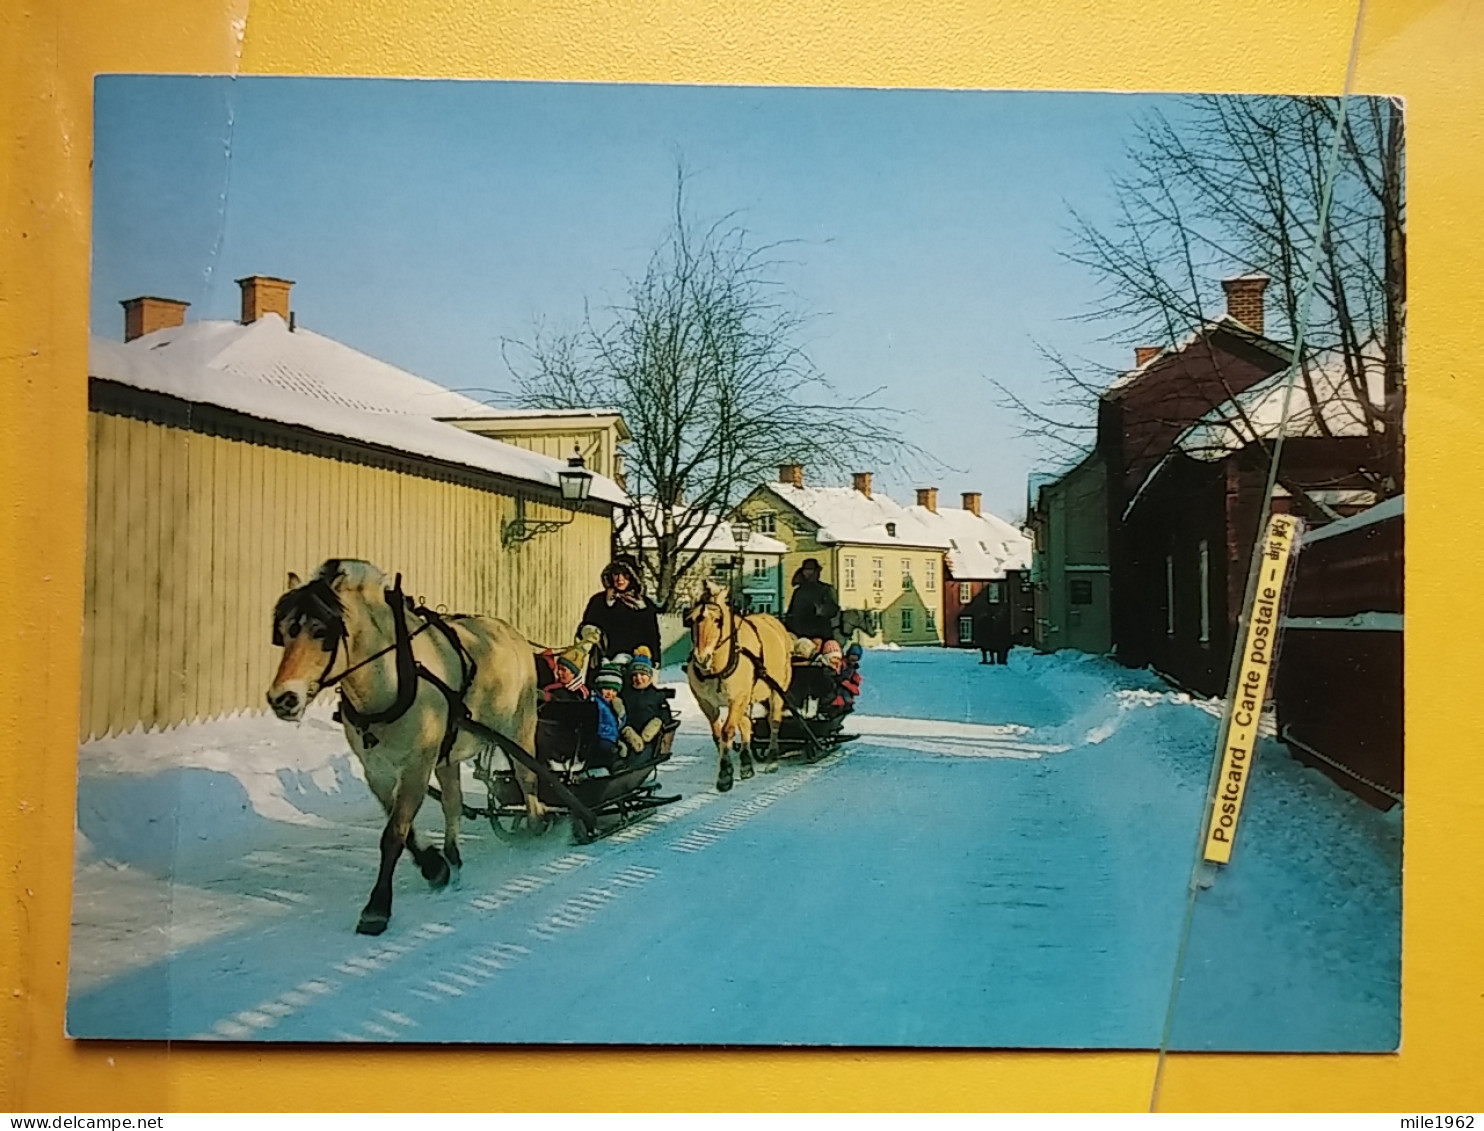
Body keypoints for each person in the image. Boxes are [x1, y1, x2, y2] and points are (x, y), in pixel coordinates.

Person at [579, 557, 662, 673]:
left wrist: (655, 658)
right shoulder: (599, 601)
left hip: (635, 665)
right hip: (604, 663)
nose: (620, 579)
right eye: (616, 574)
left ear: (633, 577)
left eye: (625, 574)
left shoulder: (643, 604)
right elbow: (584, 629)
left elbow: (652, 634)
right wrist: (590, 631)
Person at [618, 646, 674, 764]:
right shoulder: (625, 694)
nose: (639, 678)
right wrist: (626, 730)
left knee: (639, 757)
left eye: (642, 674)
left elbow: (666, 717)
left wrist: (657, 723)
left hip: (649, 740)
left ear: (649, 676)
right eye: (635, 675)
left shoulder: (656, 695)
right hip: (627, 736)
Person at [784, 557, 840, 643]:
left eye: (810, 570)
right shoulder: (799, 591)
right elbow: (791, 612)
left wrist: (821, 610)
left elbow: (833, 609)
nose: (807, 572)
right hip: (799, 635)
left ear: (816, 571)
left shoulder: (825, 589)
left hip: (820, 635)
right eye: (806, 570)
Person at [589, 662, 627, 773]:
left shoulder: (610, 705)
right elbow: (598, 725)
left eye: (614, 690)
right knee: (609, 752)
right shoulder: (596, 703)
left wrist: (621, 714)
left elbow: (617, 725)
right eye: (606, 689)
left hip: (609, 739)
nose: (610, 693)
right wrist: (613, 742)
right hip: (600, 741)